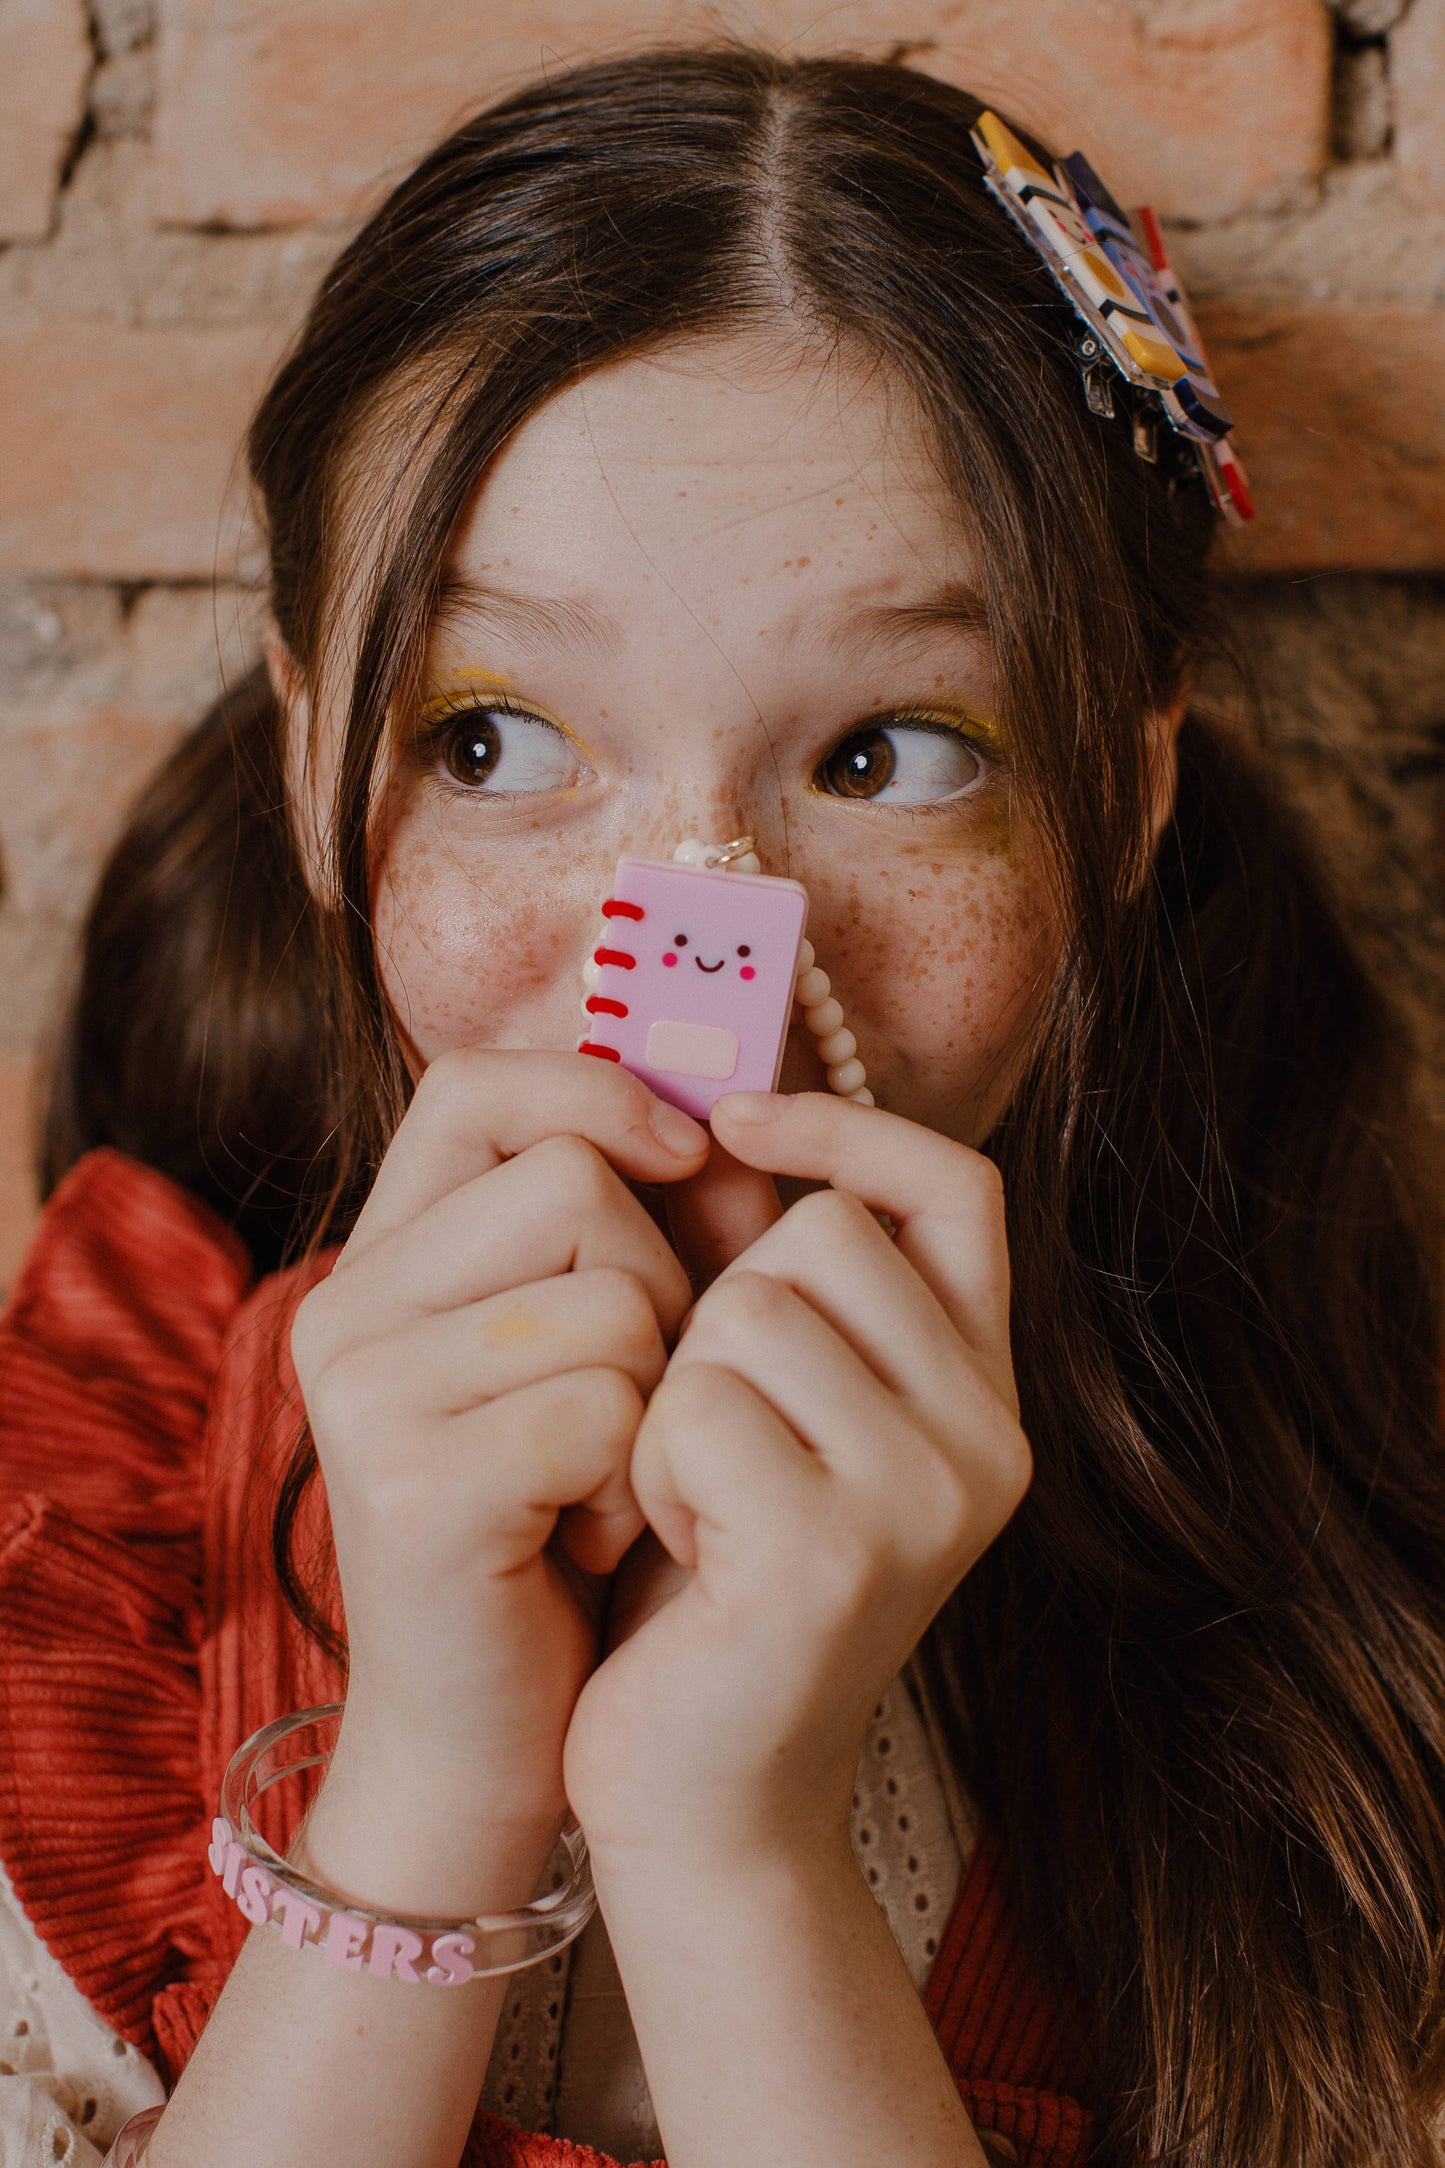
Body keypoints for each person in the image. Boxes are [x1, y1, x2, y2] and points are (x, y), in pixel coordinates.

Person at [1, 45, 1441, 2168]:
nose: (695, 947)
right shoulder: (85, 1522)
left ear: (1122, 796)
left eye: (886, 756)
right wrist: (427, 1777)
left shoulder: (1359, 1696)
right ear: (318, 770)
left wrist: (724, 1838)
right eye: (493, 739)